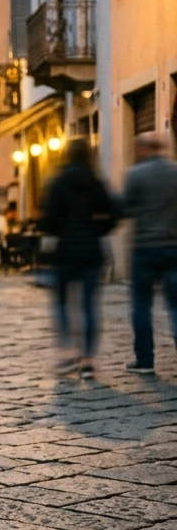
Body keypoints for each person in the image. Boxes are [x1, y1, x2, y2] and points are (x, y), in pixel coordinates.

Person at [41, 139, 118, 379]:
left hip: (64, 252)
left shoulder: (57, 182)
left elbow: (47, 220)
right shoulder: (96, 183)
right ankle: (87, 360)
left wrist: (60, 230)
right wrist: (97, 230)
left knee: (62, 304)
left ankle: (67, 353)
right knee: (89, 307)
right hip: (91, 252)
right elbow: (114, 215)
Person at [123, 132, 177, 375]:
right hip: (173, 248)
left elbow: (126, 208)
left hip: (145, 248)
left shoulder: (135, 174)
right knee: (175, 306)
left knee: (141, 305)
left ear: (144, 149)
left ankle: (145, 360)